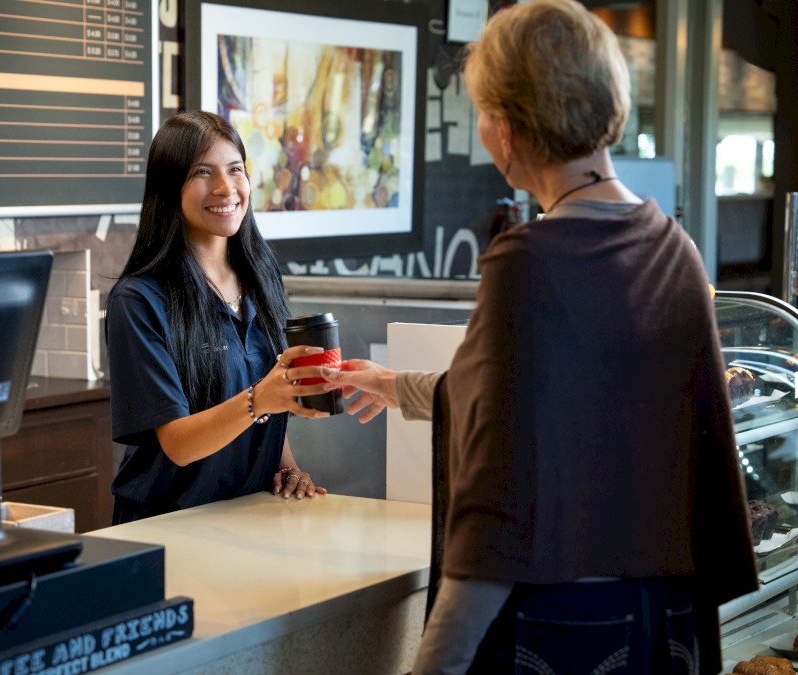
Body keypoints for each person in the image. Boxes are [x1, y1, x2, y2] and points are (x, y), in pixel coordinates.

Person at [291, 2, 758, 672]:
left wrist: (437, 661)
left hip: (565, 629)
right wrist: (393, 386)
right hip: (666, 626)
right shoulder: (673, 247)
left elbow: (498, 495)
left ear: (509, 128)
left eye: (483, 109)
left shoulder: (529, 260)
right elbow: (542, 401)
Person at [106, 111, 333, 524]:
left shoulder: (262, 280)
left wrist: (286, 467)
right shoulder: (139, 301)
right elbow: (178, 444)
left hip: (250, 517)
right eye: (202, 172)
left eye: (235, 170)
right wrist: (262, 397)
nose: (226, 188)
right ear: (169, 187)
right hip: (166, 527)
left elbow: (269, 406)